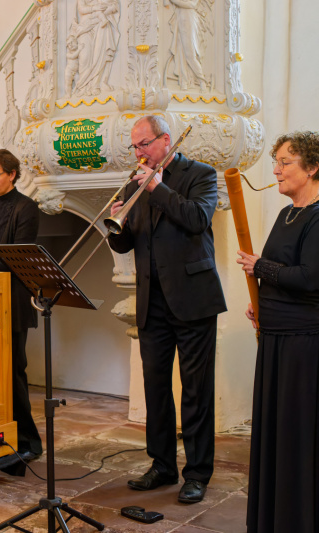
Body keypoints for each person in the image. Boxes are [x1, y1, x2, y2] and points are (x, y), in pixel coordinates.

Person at [107, 115, 226, 503]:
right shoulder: (135, 182)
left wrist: (156, 188)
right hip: (152, 302)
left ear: (166, 140)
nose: (139, 152)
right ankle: (161, 465)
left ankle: (197, 473)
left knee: (195, 391)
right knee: (156, 389)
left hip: (193, 300)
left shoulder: (201, 175)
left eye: (144, 144)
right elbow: (126, 245)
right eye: (135, 147)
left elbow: (196, 218)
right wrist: (117, 224)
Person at [237, 131, 319, 532]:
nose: (276, 170)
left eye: (286, 162)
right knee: (274, 436)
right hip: (274, 338)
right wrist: (261, 301)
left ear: (313, 167)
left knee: (296, 438)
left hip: (303, 344)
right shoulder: (287, 214)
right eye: (277, 162)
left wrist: (260, 269)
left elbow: (310, 278)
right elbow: (280, 273)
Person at [0, 148, 43, 461]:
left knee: (13, 371)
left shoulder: (27, 208)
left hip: (11, 301)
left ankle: (28, 441)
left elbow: (16, 256)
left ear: (12, 174)